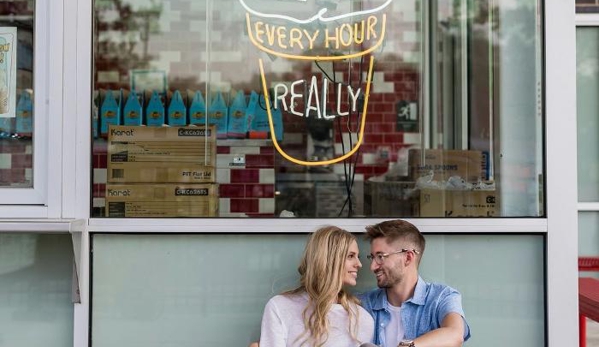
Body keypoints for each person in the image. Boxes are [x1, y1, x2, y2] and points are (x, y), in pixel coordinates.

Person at [358, 220, 471, 347]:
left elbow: (455, 335)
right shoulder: (363, 304)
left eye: (380, 257)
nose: (372, 267)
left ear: (408, 258)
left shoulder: (441, 297)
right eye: (372, 257)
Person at [259, 226, 375, 347]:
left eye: (358, 256)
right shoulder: (280, 307)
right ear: (329, 259)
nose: (359, 264)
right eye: (350, 256)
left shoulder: (361, 318)